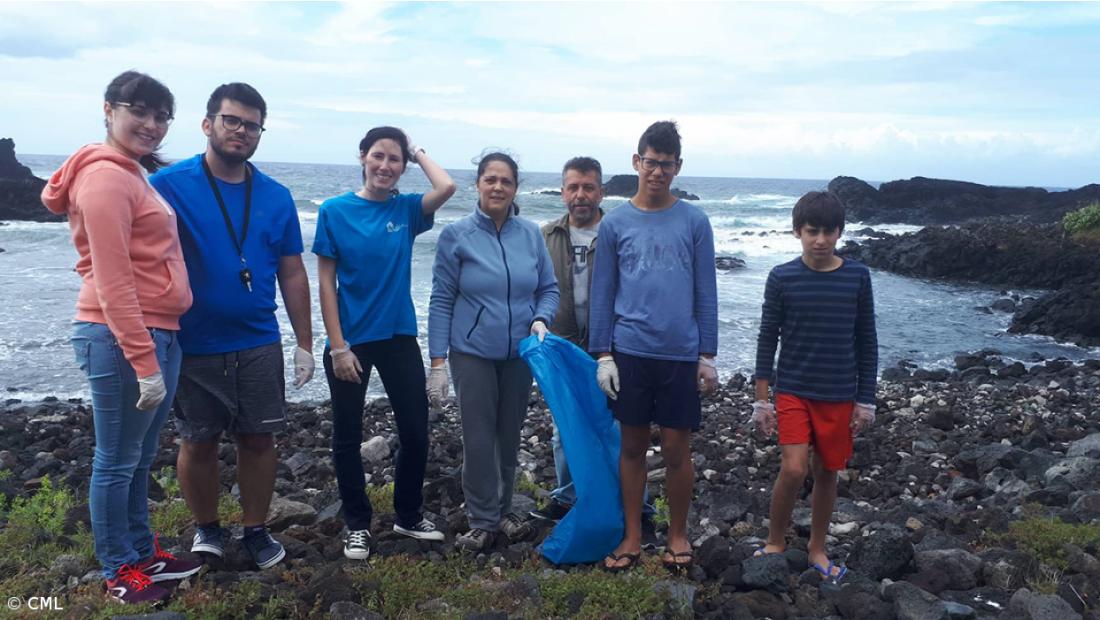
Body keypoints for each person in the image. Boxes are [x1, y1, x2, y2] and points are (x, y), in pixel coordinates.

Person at [42, 70, 201, 604]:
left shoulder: (130, 174)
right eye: (141, 111)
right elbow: (111, 280)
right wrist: (145, 362)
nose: (152, 125)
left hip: (158, 332)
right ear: (109, 109)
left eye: (161, 116)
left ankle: (143, 552)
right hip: (121, 338)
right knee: (115, 459)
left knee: (138, 453)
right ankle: (119, 572)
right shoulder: (107, 178)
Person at [150, 83, 313, 571]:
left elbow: (292, 270)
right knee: (197, 439)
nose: (241, 131)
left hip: (258, 339)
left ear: (261, 133)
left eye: (252, 124)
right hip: (193, 341)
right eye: (232, 120)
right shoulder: (168, 186)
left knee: (259, 439)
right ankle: (207, 528)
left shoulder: (276, 196)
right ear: (208, 124)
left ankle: (256, 529)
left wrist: (305, 343)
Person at [313, 126, 456, 560]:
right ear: (362, 157)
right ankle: (356, 525)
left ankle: (408, 515)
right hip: (351, 342)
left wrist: (416, 149)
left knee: (415, 431)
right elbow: (325, 281)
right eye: (378, 156)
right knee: (347, 436)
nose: (385, 166)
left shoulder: (408, 210)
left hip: (397, 337)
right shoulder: (335, 211)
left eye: (394, 159)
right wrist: (338, 347)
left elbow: (447, 186)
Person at [589, 121, 719, 572]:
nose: (657, 171)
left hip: (680, 353)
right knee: (631, 446)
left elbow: (706, 290)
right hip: (629, 351)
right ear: (636, 162)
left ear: (677, 167)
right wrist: (602, 353)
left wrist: (707, 355)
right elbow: (603, 291)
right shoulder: (616, 223)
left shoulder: (695, 221)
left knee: (678, 449)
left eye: (666, 164)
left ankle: (678, 535)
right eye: (650, 162)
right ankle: (632, 536)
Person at [428, 152, 560, 553]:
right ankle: (482, 520)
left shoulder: (530, 234)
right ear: (478, 184)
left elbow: (548, 288)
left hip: (520, 352)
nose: (498, 187)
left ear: (516, 187)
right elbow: (441, 301)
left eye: (506, 180)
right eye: (490, 179)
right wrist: (438, 362)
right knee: (479, 439)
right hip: (472, 352)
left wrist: (541, 319)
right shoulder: (457, 236)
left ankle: (503, 510)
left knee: (508, 435)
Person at [751, 190, 878, 582]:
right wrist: (762, 401)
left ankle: (817, 548)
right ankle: (775, 540)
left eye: (828, 231)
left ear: (840, 232)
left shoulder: (857, 276)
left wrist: (866, 400)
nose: (820, 239)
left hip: (839, 394)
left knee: (827, 471)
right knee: (793, 469)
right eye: (812, 231)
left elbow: (867, 340)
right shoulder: (782, 277)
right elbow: (767, 338)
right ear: (797, 232)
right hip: (793, 391)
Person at [531, 157, 656, 545]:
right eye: (572, 187)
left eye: (588, 187)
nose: (580, 195)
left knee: (622, 428)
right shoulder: (546, 235)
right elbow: (534, 287)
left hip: (617, 344)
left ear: (601, 191)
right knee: (563, 429)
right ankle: (569, 498)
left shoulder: (619, 231)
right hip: (565, 344)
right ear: (563, 190)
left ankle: (641, 508)